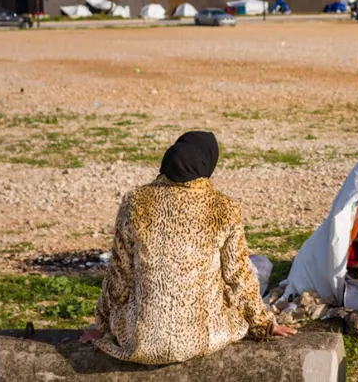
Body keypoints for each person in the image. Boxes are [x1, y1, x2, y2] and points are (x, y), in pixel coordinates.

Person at [80, 131, 295, 364]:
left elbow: (119, 274)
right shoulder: (224, 208)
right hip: (206, 337)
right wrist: (262, 324)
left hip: (141, 342)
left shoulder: (135, 203)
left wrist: (101, 326)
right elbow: (238, 275)